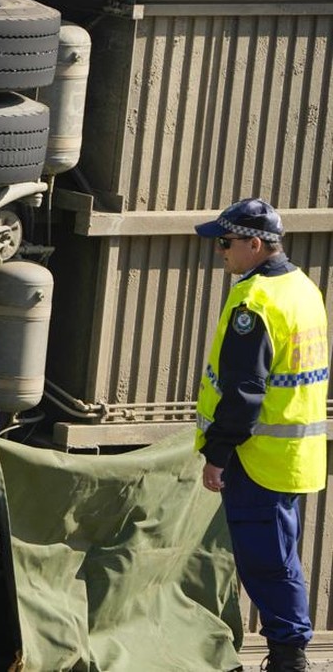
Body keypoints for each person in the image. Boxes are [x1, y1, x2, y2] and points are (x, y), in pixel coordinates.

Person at [193, 198, 328, 672]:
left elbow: (244, 391)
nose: (220, 252)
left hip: (258, 458)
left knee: (267, 562)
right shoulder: (302, 288)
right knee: (278, 556)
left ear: (255, 244)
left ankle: (289, 657)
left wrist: (217, 453)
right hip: (292, 455)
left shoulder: (254, 302)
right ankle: (289, 650)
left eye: (226, 243)